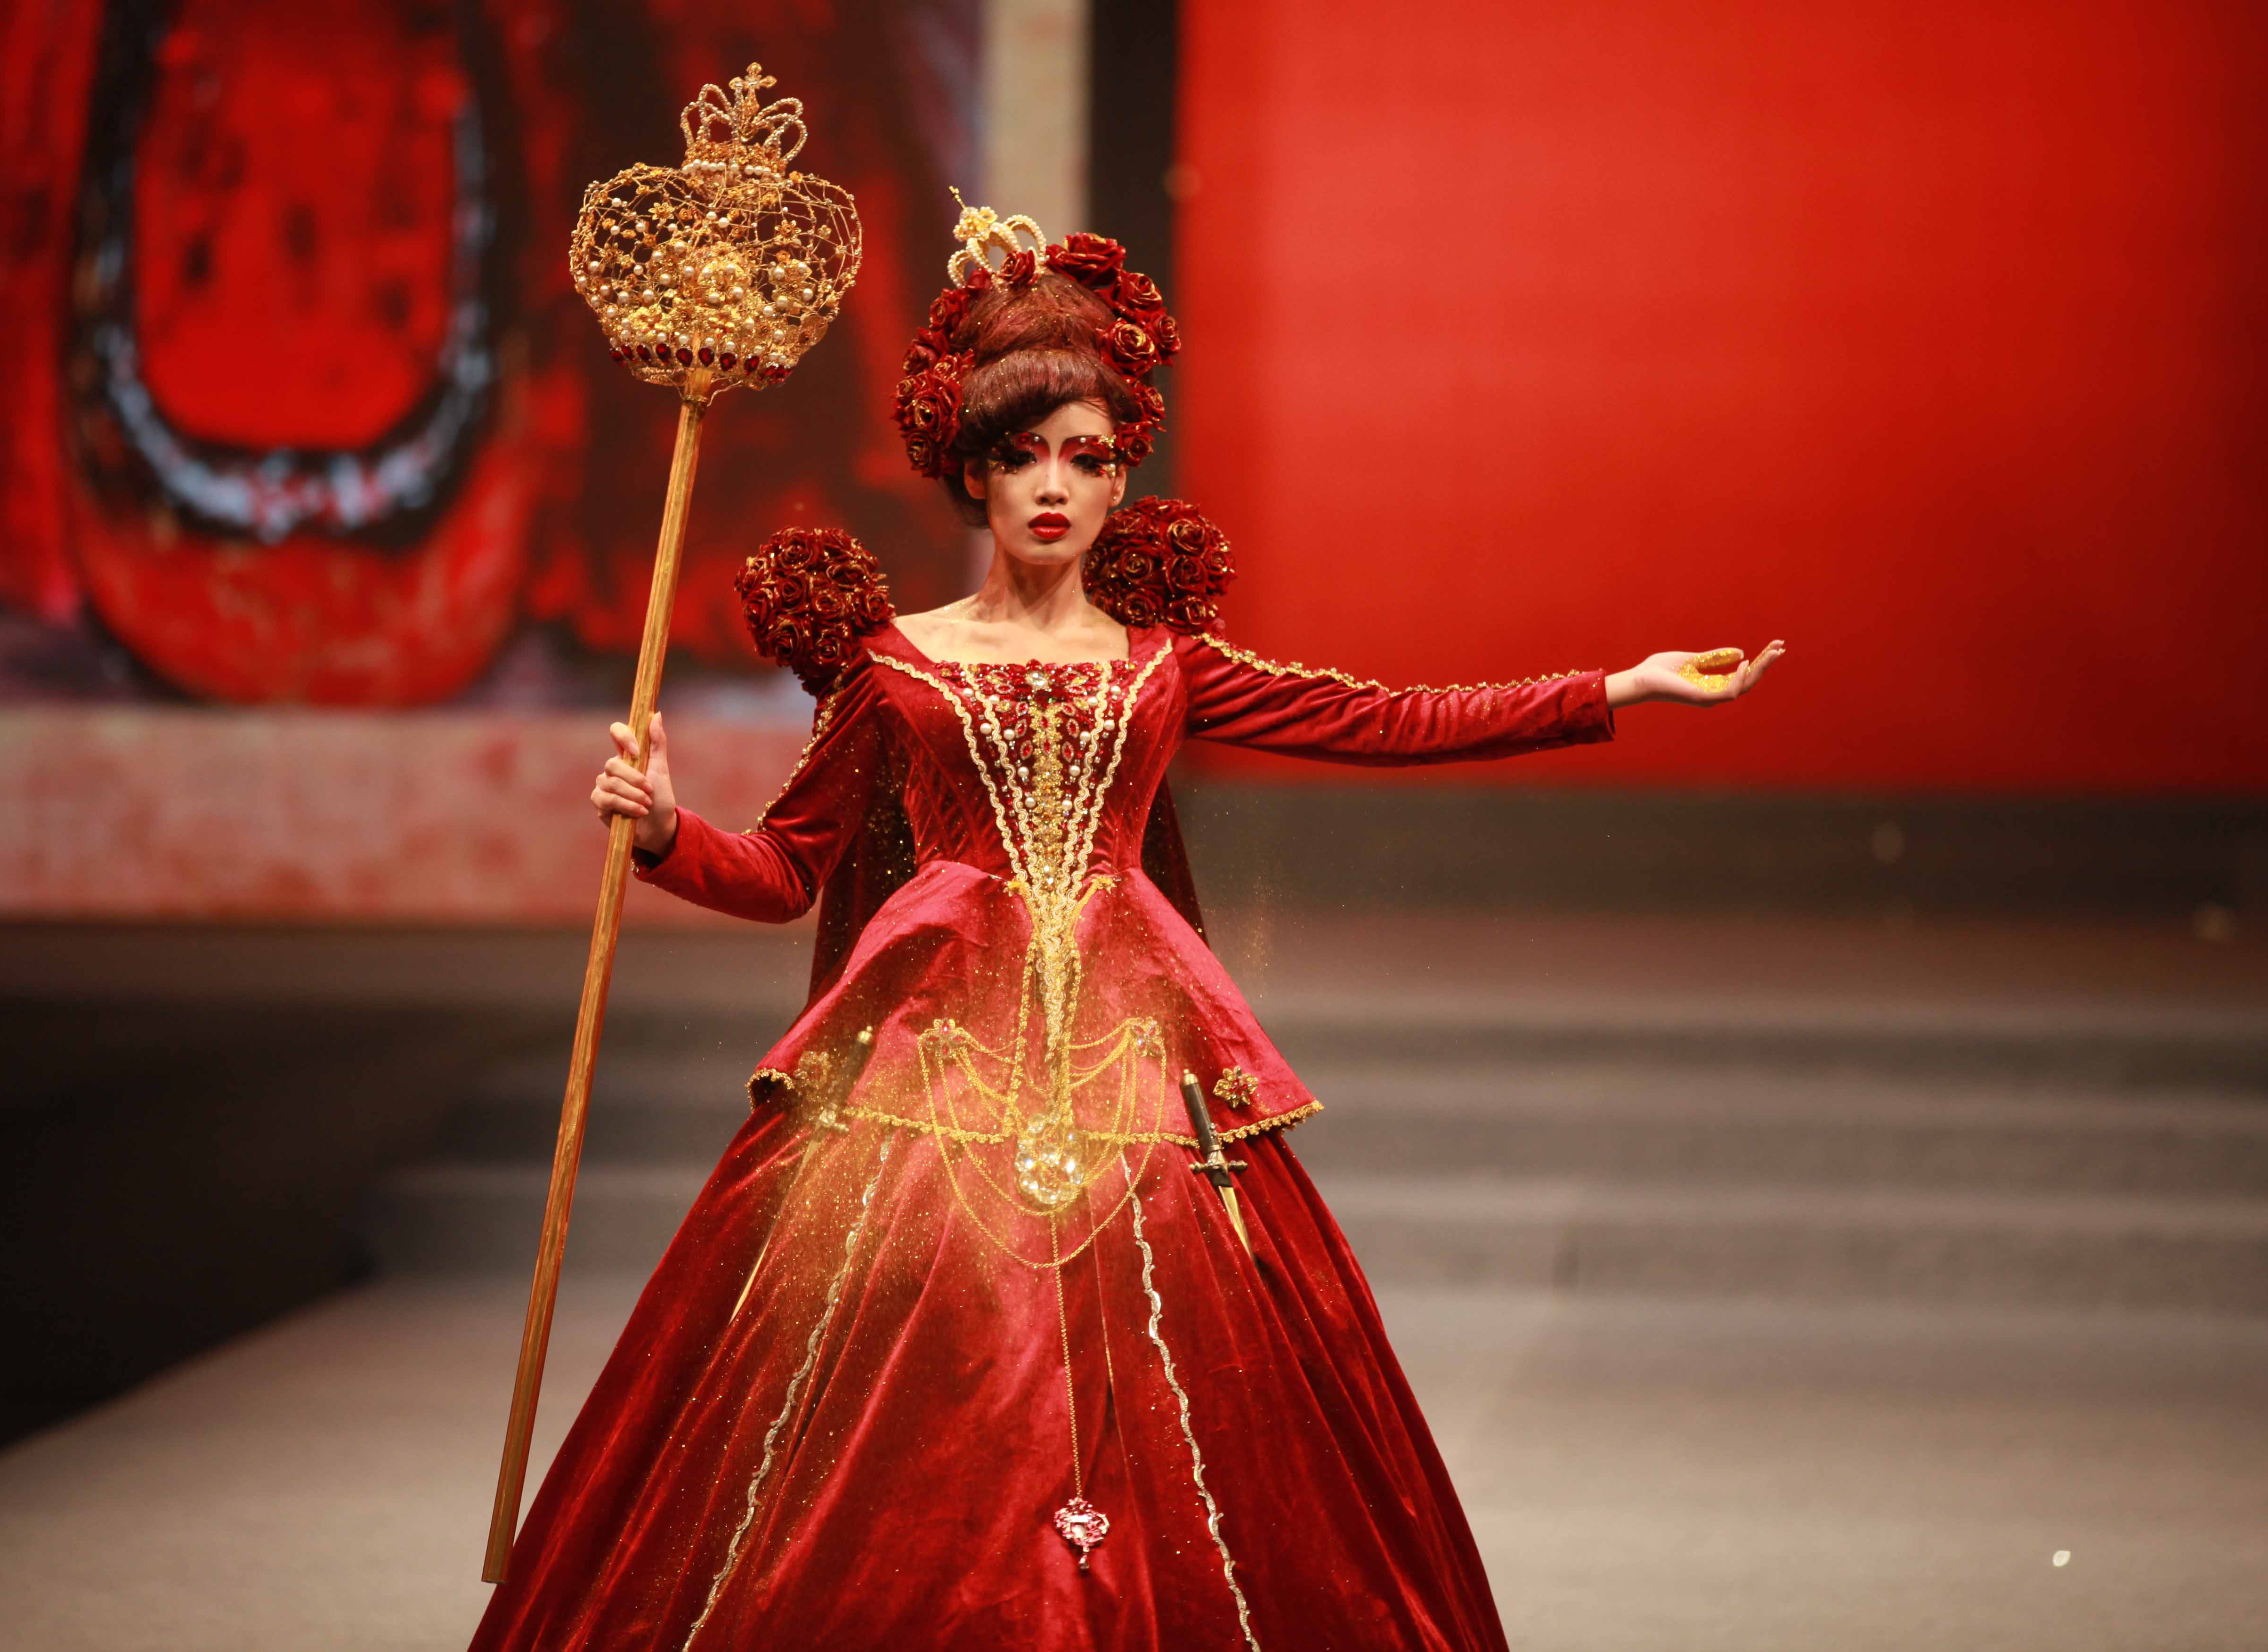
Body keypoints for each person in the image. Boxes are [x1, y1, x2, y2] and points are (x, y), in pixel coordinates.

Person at [472, 203, 1782, 1652]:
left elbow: (1386, 719)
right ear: (972, 471)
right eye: (1023, 455)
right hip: (927, 1060)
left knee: (1173, 1373)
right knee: (919, 1381)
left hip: (1128, 1052)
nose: (1054, 485)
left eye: (1086, 458)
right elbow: (786, 868)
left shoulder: (1164, 664)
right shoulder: (896, 667)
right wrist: (666, 832)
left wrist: (1615, 688)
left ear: (1119, 479)